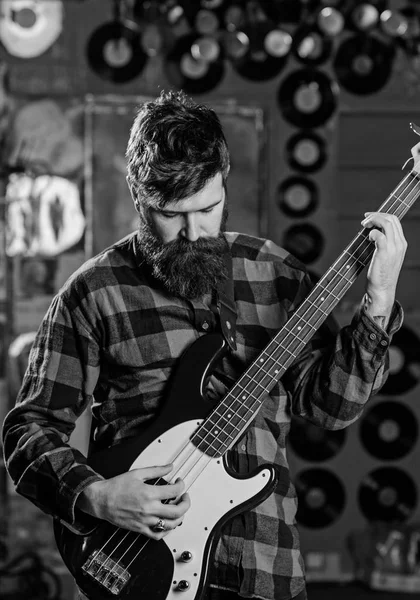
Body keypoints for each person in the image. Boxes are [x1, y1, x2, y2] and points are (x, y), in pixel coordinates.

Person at [2, 90, 406, 600]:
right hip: (140, 567)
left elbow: (332, 407)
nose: (194, 233)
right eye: (172, 214)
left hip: (266, 568)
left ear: (224, 182)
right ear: (137, 194)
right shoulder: (93, 292)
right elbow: (27, 429)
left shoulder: (273, 271)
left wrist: (379, 297)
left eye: (209, 209)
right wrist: (97, 496)